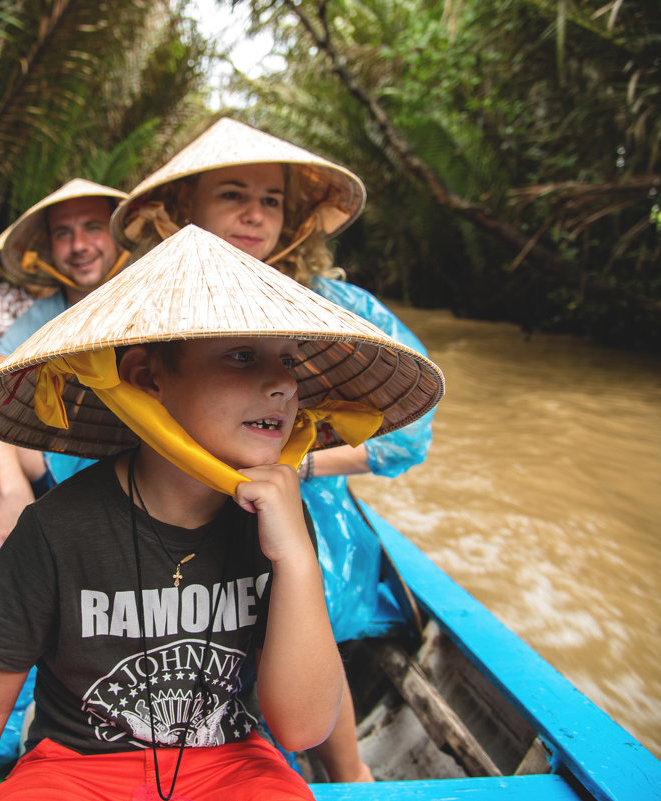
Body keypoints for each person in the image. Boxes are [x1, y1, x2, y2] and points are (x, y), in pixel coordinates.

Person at [0, 225, 444, 800]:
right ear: (148, 378)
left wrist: (297, 557)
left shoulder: (278, 521)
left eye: (288, 361)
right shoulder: (56, 529)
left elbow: (301, 728)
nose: (281, 383)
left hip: (230, 763)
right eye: (242, 356)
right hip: (77, 767)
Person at [111, 117, 436, 783]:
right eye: (233, 195)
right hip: (177, 517)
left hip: (309, 512)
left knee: (300, 594)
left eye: (272, 200)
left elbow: (408, 436)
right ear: (184, 208)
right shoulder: (143, 306)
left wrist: (293, 466)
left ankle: (348, 774)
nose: (255, 216)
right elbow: (93, 437)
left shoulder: (334, 307)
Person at [0, 179, 127, 551]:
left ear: (118, 235)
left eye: (93, 228)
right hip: (64, 470)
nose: (79, 246)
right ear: (50, 249)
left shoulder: (154, 302)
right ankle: (11, 566)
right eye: (63, 234)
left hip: (142, 472)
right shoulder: (40, 317)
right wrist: (11, 489)